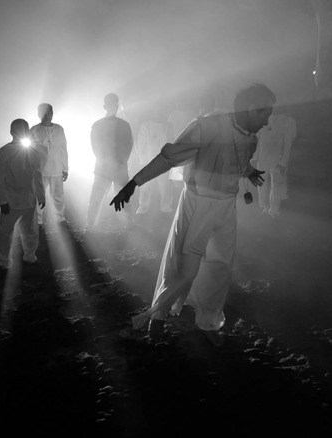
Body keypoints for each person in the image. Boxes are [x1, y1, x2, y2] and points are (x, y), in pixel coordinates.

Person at [110, 83, 275, 346]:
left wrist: (249, 172)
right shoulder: (207, 126)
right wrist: (134, 183)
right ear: (253, 108)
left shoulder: (251, 139)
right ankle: (158, 315)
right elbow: (170, 157)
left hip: (226, 207)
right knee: (184, 267)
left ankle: (208, 320)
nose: (267, 122)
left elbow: (240, 161)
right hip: (198, 203)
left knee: (220, 267)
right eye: (265, 114)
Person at [0, 119, 45, 269]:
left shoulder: (7, 152)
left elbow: (37, 175)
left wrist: (41, 195)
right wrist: (3, 200)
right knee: (9, 232)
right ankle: (4, 261)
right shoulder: (4, 153)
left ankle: (29, 256)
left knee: (28, 230)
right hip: (13, 200)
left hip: (24, 199)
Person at [87, 93, 133, 230]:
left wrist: (119, 161)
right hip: (110, 166)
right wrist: (118, 161)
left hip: (111, 166)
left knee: (120, 196)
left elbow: (129, 144)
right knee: (98, 198)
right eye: (112, 104)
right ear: (105, 106)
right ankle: (91, 225)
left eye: (115, 103)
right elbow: (95, 146)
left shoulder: (99, 125)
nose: (114, 106)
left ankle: (127, 224)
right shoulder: (122, 125)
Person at [252, 103, 297, 218]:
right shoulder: (264, 118)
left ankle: (274, 210)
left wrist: (283, 162)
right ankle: (262, 205)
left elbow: (288, 143)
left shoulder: (287, 121)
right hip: (263, 157)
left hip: (277, 159)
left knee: (276, 184)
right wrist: (254, 157)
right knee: (260, 182)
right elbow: (257, 139)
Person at [134, 103, 175, 223]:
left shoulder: (168, 126)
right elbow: (141, 144)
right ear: (154, 112)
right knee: (146, 187)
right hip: (148, 162)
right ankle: (143, 210)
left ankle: (166, 209)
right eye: (157, 111)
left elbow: (171, 142)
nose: (160, 113)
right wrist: (142, 161)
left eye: (162, 111)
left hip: (164, 162)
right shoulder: (145, 125)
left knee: (165, 187)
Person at [28, 103, 67, 225]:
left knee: (58, 196)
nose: (46, 115)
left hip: (56, 168)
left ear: (52, 113)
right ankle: (37, 220)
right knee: (38, 196)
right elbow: (28, 150)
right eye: (44, 113)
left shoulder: (59, 129)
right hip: (39, 169)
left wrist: (65, 168)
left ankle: (59, 219)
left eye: (49, 112)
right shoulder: (34, 130)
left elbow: (63, 149)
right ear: (39, 114)